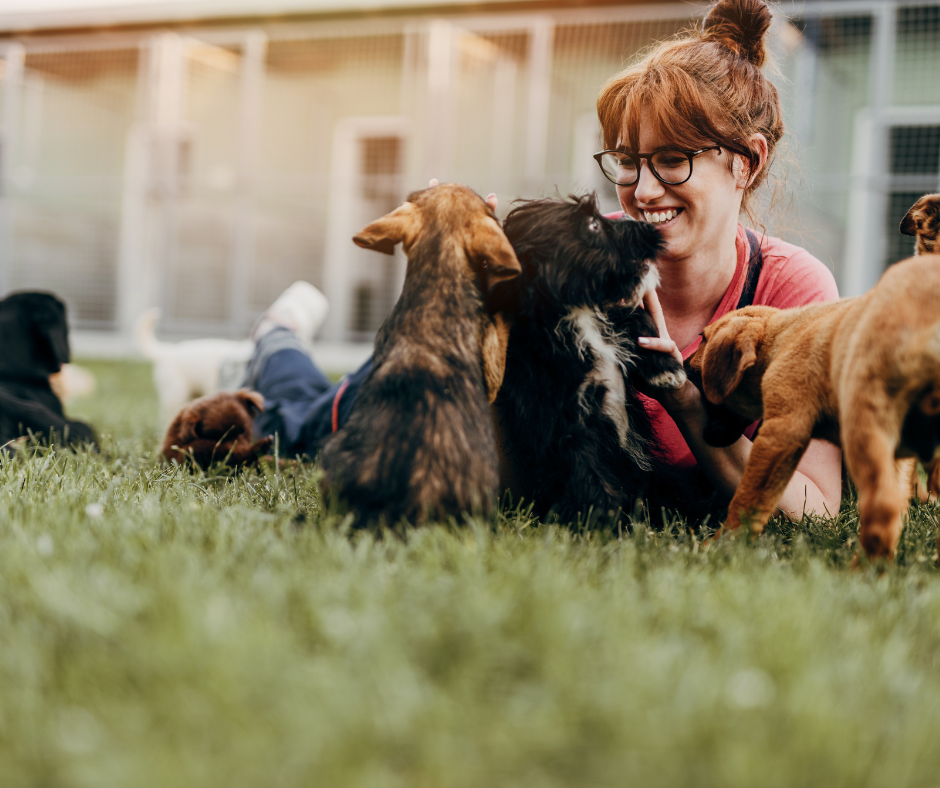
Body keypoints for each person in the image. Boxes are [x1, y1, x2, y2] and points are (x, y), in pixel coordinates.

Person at [593, 0, 842, 519]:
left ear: (747, 161)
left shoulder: (793, 293)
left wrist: (685, 399)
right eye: (627, 161)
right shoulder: (585, 259)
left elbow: (816, 507)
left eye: (672, 159)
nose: (643, 191)